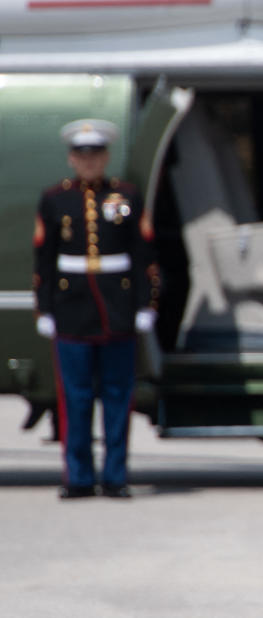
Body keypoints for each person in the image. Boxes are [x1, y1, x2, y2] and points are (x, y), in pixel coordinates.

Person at [33, 119, 160, 499]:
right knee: (74, 397)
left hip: (116, 307)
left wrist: (145, 303)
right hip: (72, 309)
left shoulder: (126, 197)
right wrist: (45, 309)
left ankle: (116, 475)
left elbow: (143, 255)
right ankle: (78, 476)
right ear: (72, 159)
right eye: (82, 155)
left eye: (96, 154)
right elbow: (44, 259)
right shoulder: (56, 199)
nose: (89, 162)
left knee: (118, 394)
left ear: (106, 157)